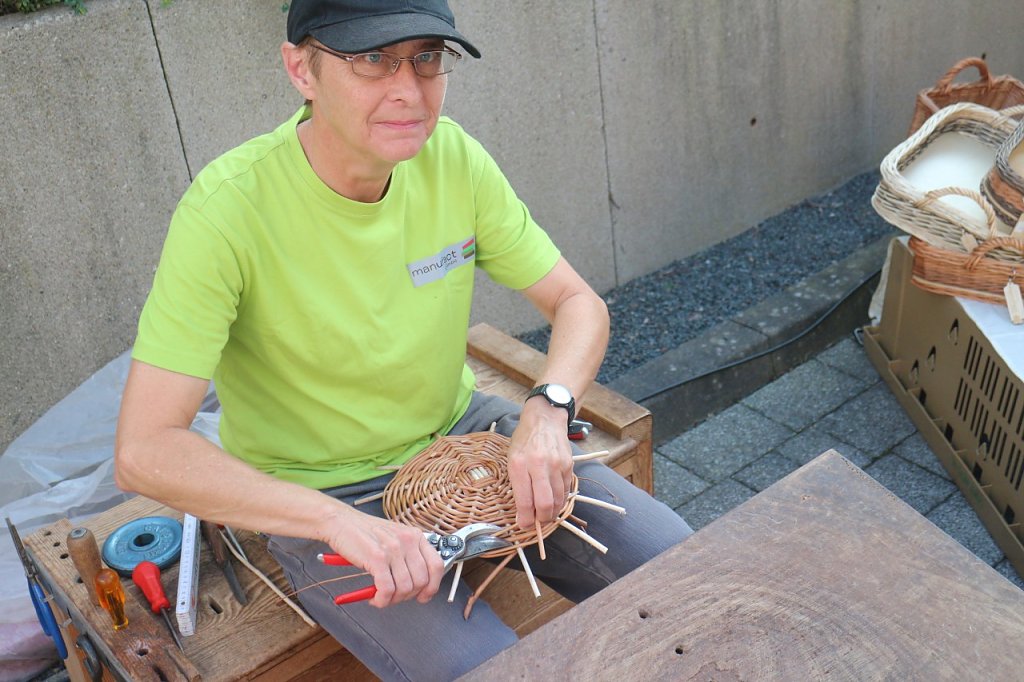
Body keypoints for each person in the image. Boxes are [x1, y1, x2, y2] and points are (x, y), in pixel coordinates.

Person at [114, 1, 693, 679]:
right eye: (371, 59)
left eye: (426, 58)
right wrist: (335, 523)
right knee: (485, 668)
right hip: (324, 490)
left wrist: (548, 409)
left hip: (464, 435)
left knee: (683, 563)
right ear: (301, 69)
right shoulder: (227, 212)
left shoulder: (452, 157)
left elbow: (577, 303)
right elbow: (144, 450)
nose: (409, 91)